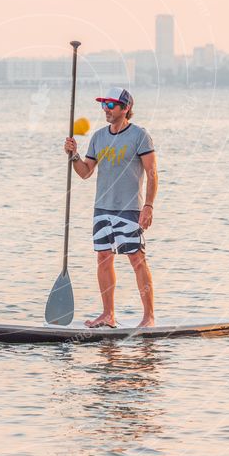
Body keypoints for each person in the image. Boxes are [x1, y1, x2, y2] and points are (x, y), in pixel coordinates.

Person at [64, 87, 158, 328]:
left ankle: (148, 317)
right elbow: (85, 173)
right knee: (103, 258)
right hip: (102, 208)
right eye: (103, 105)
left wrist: (148, 206)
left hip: (130, 209)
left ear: (125, 108)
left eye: (111, 105)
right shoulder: (98, 137)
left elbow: (152, 173)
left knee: (137, 259)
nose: (105, 109)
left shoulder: (140, 136)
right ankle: (108, 315)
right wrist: (74, 155)